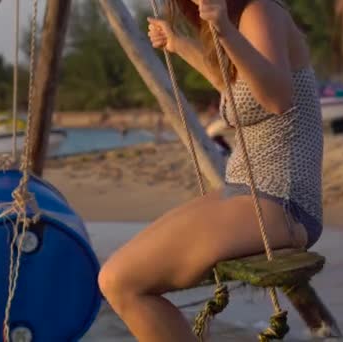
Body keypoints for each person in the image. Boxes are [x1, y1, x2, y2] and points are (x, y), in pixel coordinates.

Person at [97, 0, 324, 341]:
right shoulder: (237, 21)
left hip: (283, 203)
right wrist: (179, 44)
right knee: (115, 276)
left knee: (121, 281)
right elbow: (234, 87)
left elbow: (277, 97)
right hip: (246, 191)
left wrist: (225, 29)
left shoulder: (259, 11)